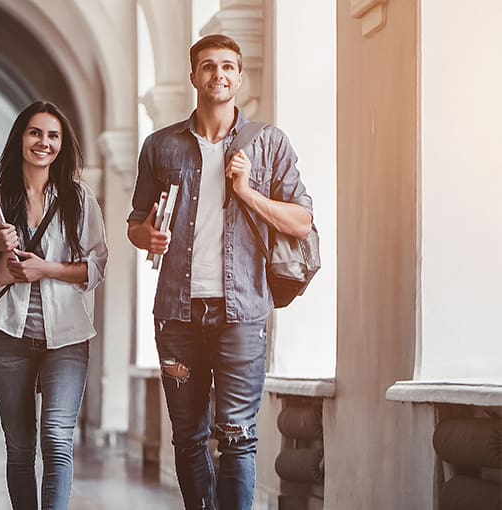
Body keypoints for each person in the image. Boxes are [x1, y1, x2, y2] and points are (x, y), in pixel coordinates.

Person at [126, 34, 314, 510]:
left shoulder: (269, 143)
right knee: (188, 437)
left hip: (242, 313)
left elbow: (302, 220)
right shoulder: (160, 146)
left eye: (228, 66)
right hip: (176, 314)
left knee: (238, 435)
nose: (218, 74)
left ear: (240, 75)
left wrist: (248, 192)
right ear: (194, 76)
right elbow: (134, 222)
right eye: (208, 66)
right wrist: (146, 236)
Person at [0, 100, 109, 510]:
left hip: (68, 337)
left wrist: (47, 269)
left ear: (62, 144)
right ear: (20, 138)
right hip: (8, 335)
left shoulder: (79, 199)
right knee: (20, 447)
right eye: (35, 132)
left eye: (53, 135)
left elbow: (96, 266)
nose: (43, 142)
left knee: (58, 438)